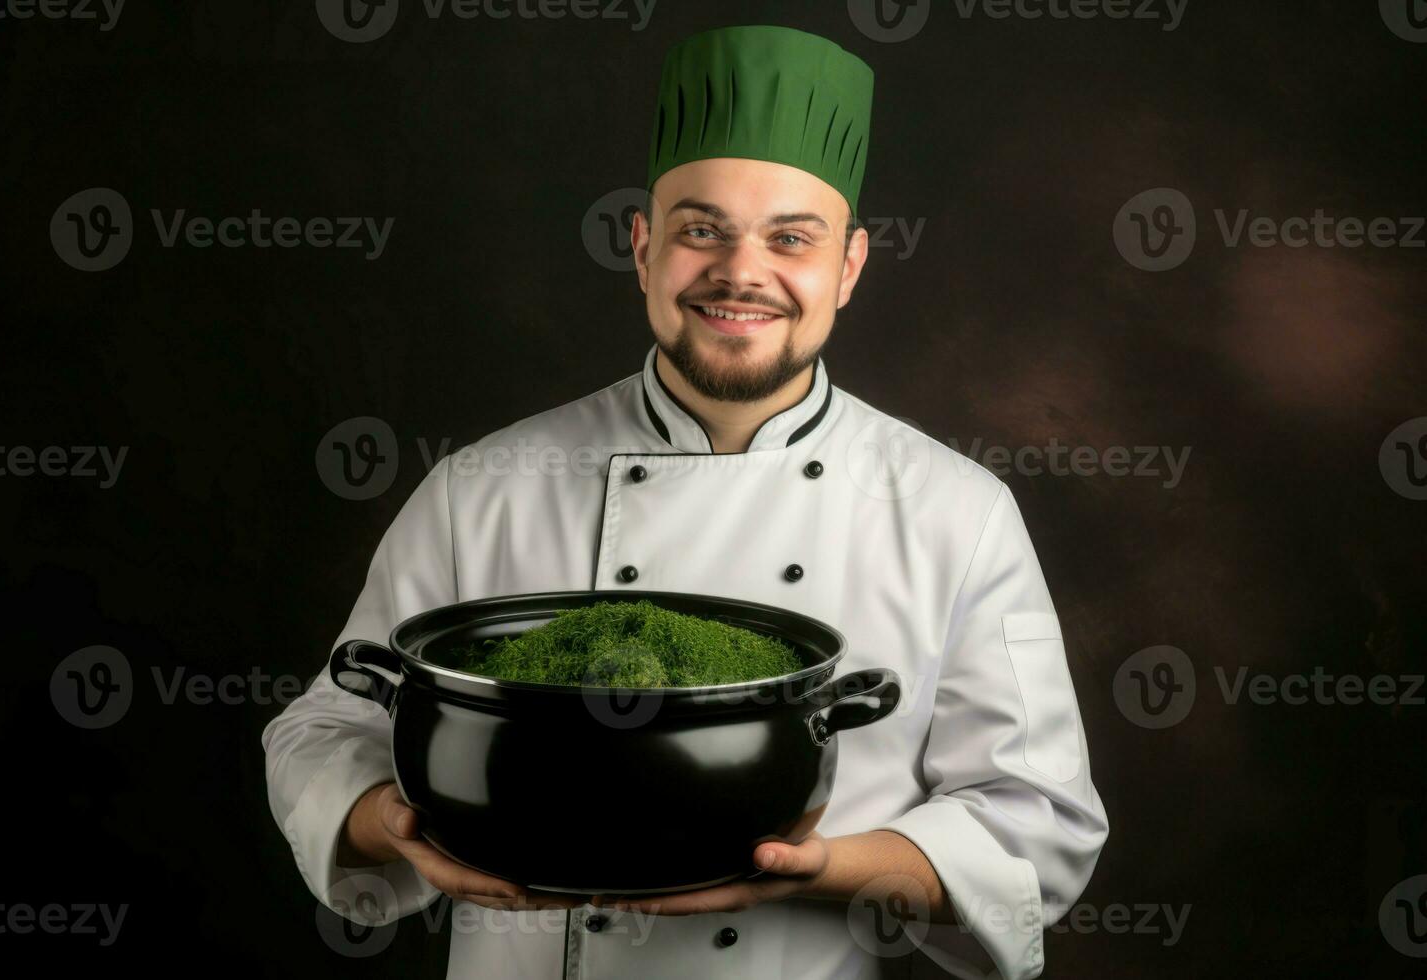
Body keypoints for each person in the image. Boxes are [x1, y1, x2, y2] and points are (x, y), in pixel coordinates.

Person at [262, 23, 1108, 980]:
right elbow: (322, 729)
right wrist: (390, 821)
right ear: (642, 246)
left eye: (792, 237)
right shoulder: (483, 487)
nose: (741, 272)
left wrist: (825, 869)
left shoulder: (956, 511)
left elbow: (1038, 824)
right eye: (700, 229)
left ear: (849, 267)